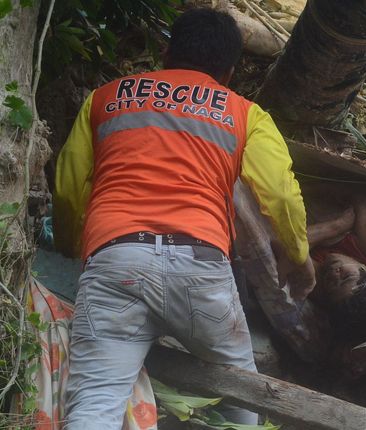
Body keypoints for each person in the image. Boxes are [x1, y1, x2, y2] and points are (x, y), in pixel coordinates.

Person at [53, 8, 315, 429]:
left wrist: (70, 243)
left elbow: (67, 186)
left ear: (165, 52)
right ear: (229, 71)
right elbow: (281, 196)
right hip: (200, 269)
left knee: (95, 403)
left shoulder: (104, 98)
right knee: (241, 402)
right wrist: (300, 257)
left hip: (115, 261)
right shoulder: (245, 113)